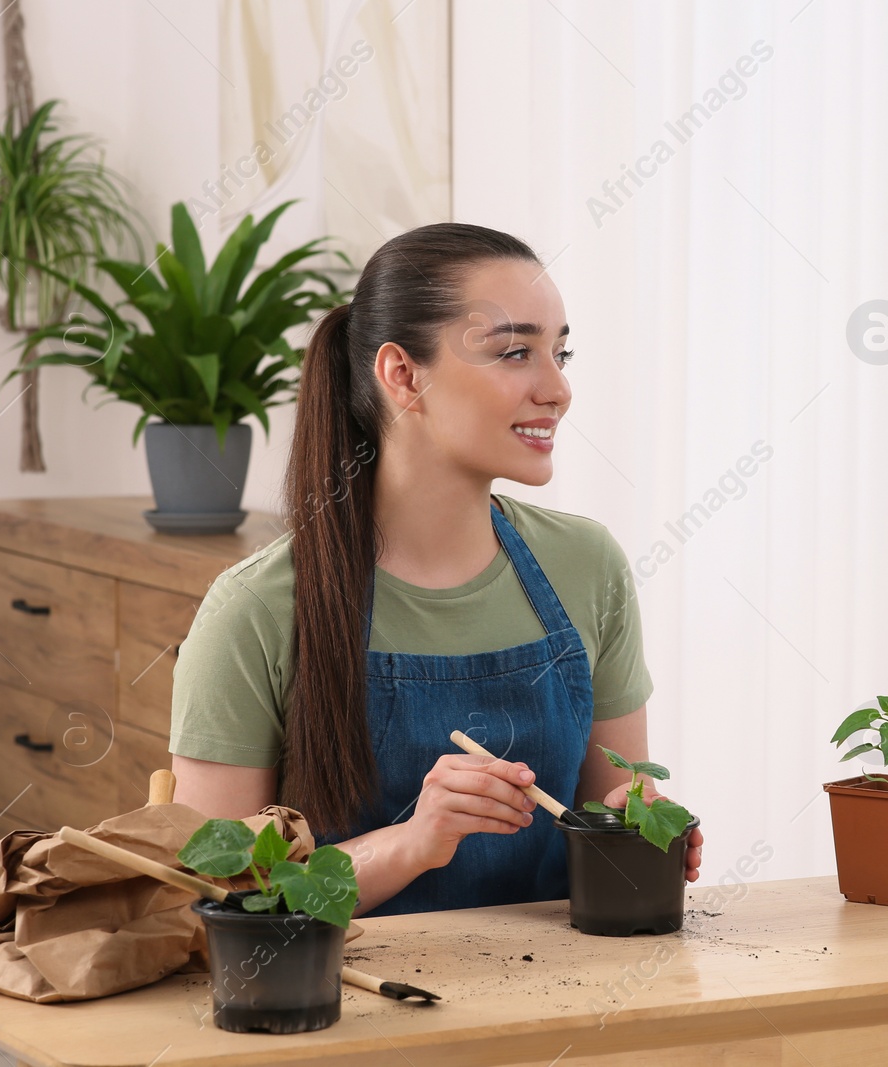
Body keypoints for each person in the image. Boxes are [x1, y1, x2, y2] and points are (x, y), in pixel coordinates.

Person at [167, 222, 703, 916]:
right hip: (350, 1010)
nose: (557, 388)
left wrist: (637, 826)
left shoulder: (587, 566)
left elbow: (606, 805)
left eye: (560, 352)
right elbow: (221, 898)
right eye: (515, 352)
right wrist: (414, 840)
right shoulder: (256, 608)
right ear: (402, 375)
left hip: (565, 1005)